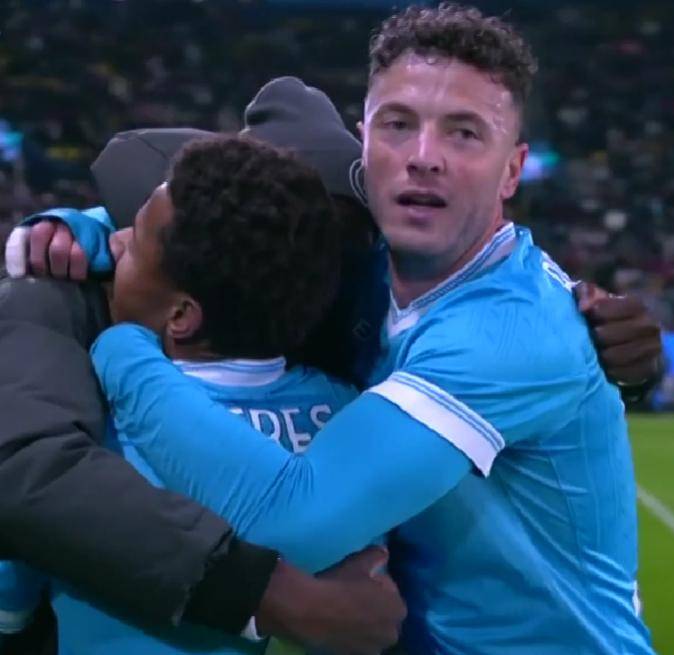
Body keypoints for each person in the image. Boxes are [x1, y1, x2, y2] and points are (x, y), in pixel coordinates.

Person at [7, 46, 660, 655]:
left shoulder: (503, 329)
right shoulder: (356, 267)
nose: (424, 155)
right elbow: (211, 215)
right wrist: (80, 229)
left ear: (512, 168)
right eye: (399, 124)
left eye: (463, 132)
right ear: (364, 142)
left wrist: (121, 345)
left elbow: (291, 519)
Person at [0, 119, 406, 655]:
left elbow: (17, 575)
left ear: (182, 316)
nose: (114, 245)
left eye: (132, 240)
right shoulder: (353, 410)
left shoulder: (103, 422)